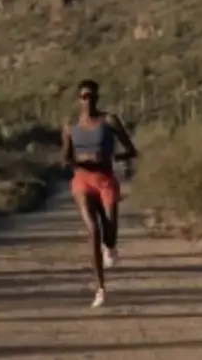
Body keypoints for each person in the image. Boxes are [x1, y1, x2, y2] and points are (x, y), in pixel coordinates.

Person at [60, 78, 138, 308]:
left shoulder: (109, 120)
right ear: (78, 99)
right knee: (93, 230)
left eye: (92, 96)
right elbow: (64, 158)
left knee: (110, 230)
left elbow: (132, 151)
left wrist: (112, 158)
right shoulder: (70, 125)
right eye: (84, 96)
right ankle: (100, 288)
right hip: (82, 181)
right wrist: (80, 160)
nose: (88, 101)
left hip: (105, 180)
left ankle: (110, 245)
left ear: (97, 98)